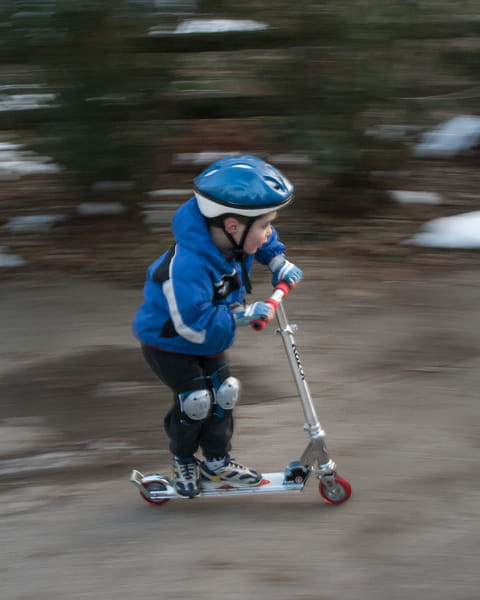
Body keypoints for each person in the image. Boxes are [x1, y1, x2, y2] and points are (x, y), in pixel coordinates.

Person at [132, 155, 303, 498]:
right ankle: (183, 461)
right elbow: (192, 322)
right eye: (265, 225)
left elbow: (264, 242)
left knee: (224, 395)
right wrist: (241, 315)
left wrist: (278, 262)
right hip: (169, 342)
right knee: (195, 401)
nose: (268, 232)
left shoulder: (232, 238)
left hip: (209, 334)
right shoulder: (187, 267)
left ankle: (216, 461)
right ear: (233, 226)